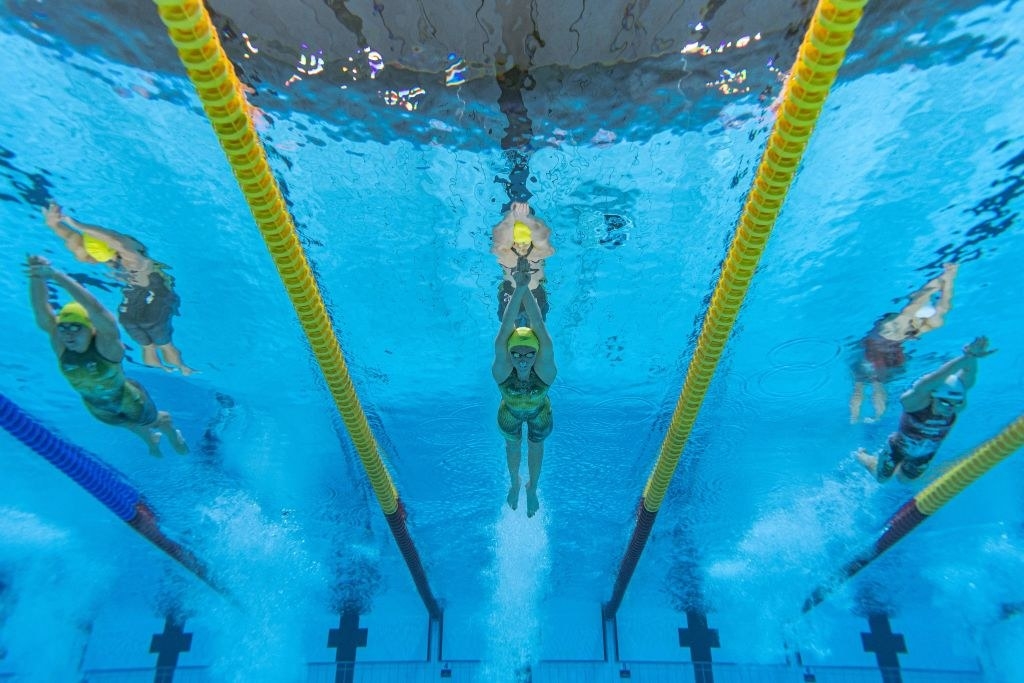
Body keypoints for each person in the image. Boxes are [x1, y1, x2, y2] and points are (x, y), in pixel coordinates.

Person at [27, 255, 189, 457]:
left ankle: (171, 431)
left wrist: (55, 275)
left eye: (76, 327)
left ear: (91, 329)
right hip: (97, 407)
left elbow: (95, 310)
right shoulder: (61, 345)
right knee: (126, 424)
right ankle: (150, 439)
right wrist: (35, 276)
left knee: (154, 420)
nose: (68, 333)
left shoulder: (107, 347)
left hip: (129, 399)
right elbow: (41, 311)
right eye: (64, 327)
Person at [43, 203, 194, 375]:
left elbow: (71, 238)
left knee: (146, 345)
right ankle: (182, 367)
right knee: (165, 343)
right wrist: (78, 224)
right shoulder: (135, 257)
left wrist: (54, 224)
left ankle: (161, 368)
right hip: (157, 295)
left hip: (131, 300)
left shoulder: (92, 257)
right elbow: (117, 241)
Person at [855, 336, 994, 484]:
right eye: (946, 404)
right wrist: (963, 358)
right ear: (933, 396)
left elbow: (969, 377)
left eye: (957, 403)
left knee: (905, 480)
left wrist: (971, 357)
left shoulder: (954, 405)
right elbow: (927, 383)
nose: (951, 409)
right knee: (881, 478)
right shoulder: (915, 403)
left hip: (924, 454)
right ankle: (863, 457)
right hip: (897, 448)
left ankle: (901, 470)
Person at [849, 263, 958, 423]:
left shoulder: (900, 318)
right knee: (880, 384)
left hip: (874, 351)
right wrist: (949, 278)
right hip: (896, 354)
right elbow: (945, 305)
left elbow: (925, 293)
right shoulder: (928, 325)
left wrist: (944, 277)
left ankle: (854, 418)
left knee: (861, 384)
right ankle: (878, 417)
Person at [493, 267, 556, 517]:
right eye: (516, 354)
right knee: (512, 447)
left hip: (540, 413)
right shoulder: (502, 369)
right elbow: (505, 328)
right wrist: (520, 287)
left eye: (529, 354)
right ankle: (515, 483)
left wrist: (524, 287)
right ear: (508, 354)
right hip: (509, 414)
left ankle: (533, 488)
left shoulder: (545, 369)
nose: (522, 360)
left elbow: (538, 324)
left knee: (536, 446)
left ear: (537, 354)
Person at [491, 201, 554, 324]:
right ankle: (511, 216)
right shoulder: (539, 252)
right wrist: (522, 217)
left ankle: (511, 216)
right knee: (503, 251)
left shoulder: (536, 252)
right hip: (532, 294)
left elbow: (543, 237)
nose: (521, 246)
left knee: (502, 252)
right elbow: (544, 235)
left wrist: (519, 217)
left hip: (511, 293)